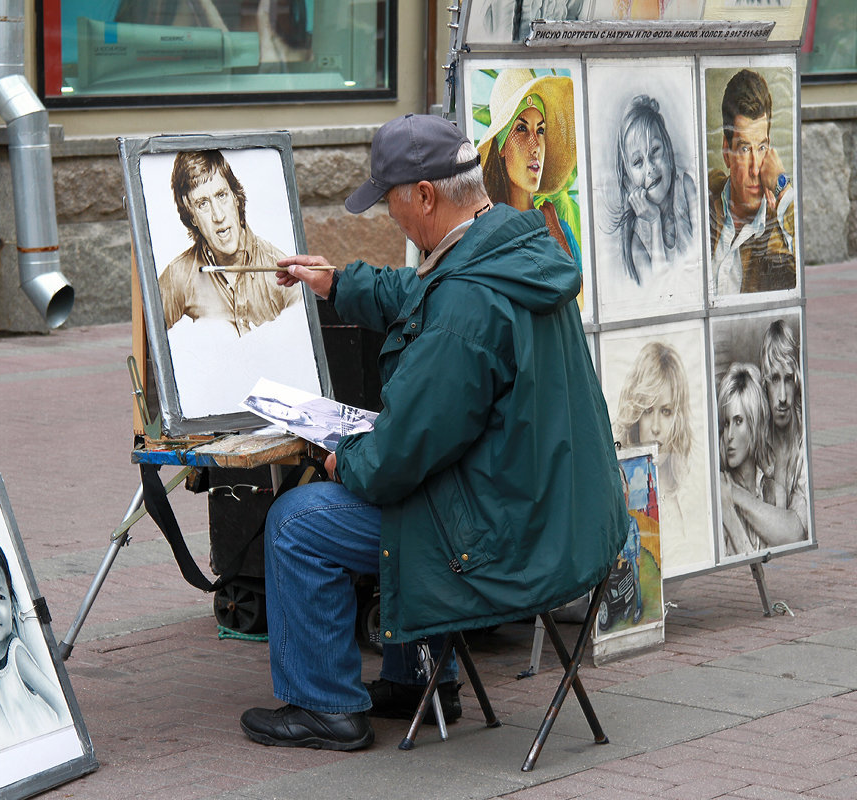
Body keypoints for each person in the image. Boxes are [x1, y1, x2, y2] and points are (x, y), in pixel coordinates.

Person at [236, 113, 627, 751]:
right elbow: (426, 293)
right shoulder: (508, 246)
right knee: (421, 479)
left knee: (298, 521)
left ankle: (325, 706)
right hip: (560, 514)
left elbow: (398, 456)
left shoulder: (469, 305)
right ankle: (421, 678)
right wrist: (337, 283)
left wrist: (343, 460)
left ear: (425, 195)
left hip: (507, 537)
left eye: (391, 202)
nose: (390, 217)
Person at [157, 149, 300, 335]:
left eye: (221, 195)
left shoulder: (281, 271)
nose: (218, 215)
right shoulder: (176, 277)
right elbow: (153, 349)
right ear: (191, 216)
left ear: (236, 197)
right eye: (203, 204)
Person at [0, 527, 68, 743]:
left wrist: (61, 744)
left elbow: (62, 706)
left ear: (11, 599)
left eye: (1, 595)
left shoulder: (17, 656)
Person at [708, 69, 796, 296]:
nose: (755, 168)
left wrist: (782, 186)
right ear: (726, 151)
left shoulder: (778, 227)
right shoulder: (707, 197)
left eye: (762, 147)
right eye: (745, 149)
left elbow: (801, 282)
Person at [477, 68, 580, 261]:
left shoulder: (559, 227)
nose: (536, 147)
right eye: (522, 129)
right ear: (501, 146)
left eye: (540, 130)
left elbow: (583, 292)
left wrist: (557, 237)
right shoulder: (487, 233)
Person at [723, 320, 809, 548]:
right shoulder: (755, 436)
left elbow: (797, 533)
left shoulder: (804, 444)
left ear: (797, 381)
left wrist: (735, 495)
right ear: (764, 384)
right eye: (774, 380)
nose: (782, 397)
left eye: (788, 379)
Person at [608, 95, 698, 284]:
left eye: (655, 151)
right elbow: (661, 292)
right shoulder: (636, 243)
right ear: (628, 182)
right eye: (638, 162)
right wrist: (655, 223)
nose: (650, 168)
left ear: (668, 149)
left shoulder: (686, 188)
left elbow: (701, 262)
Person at [613, 341, 694, 530]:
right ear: (636, 417)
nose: (656, 427)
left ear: (678, 417)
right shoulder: (620, 491)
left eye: (666, 411)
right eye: (648, 411)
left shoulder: (688, 492)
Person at [716, 362, 770, 556]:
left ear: (755, 424)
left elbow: (795, 534)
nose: (729, 434)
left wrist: (736, 496)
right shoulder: (717, 496)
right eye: (727, 423)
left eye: (738, 421)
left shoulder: (773, 491)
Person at [617, 464, 644, 625]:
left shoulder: (632, 521)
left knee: (635, 581)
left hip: (633, 555)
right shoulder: (621, 522)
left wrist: (638, 555)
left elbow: (638, 538)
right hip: (626, 556)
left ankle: (638, 606)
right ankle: (628, 606)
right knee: (624, 583)